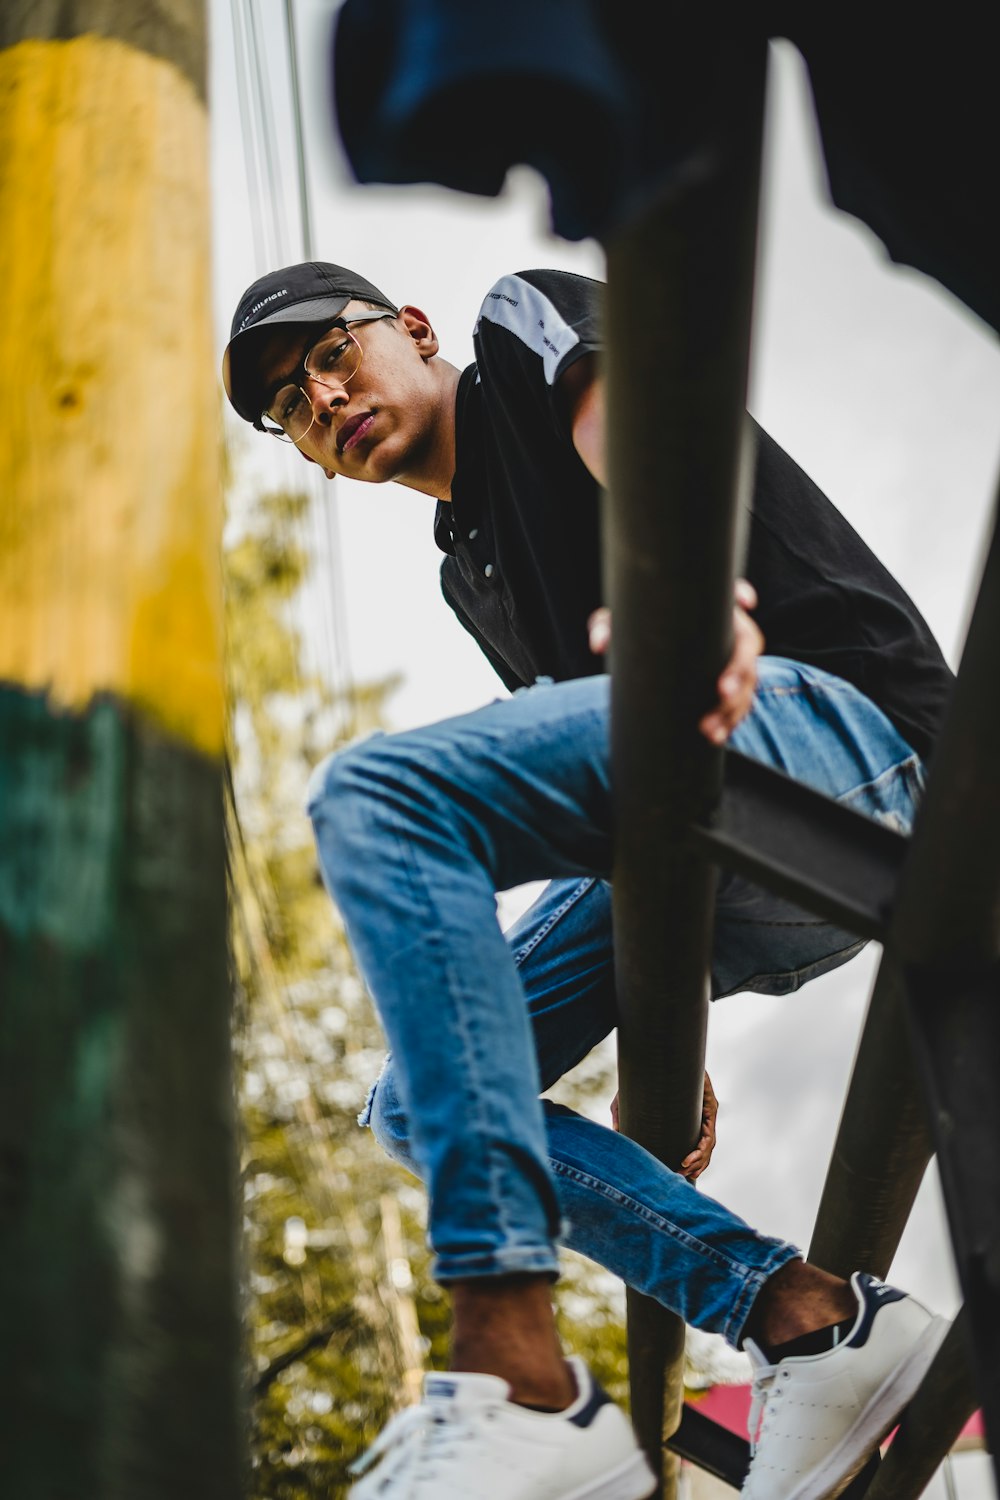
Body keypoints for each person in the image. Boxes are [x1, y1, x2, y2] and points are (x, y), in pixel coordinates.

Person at [222, 265, 954, 1499]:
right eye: (291, 406)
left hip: (849, 735)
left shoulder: (519, 341)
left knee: (382, 799)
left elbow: (648, 427)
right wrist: (658, 996)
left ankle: (521, 1385)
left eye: (333, 355)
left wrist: (683, 597)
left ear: (410, 329)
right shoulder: (471, 576)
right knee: (414, 1104)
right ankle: (805, 1317)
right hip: (722, 840)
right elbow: (599, 803)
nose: (325, 398)